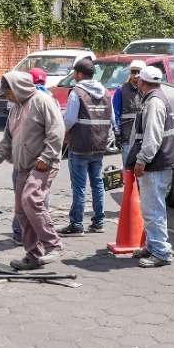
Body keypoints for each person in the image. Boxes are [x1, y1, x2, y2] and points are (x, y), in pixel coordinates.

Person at [0, 69, 64, 270]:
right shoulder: (16, 108)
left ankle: (53, 245)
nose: (6, 95)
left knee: (32, 199)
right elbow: (8, 138)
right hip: (23, 166)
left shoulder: (42, 101)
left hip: (43, 164)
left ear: (18, 88)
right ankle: (33, 255)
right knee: (22, 211)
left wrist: (46, 156)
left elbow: (57, 131)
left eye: (8, 91)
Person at [127, 65, 174, 266]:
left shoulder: (153, 102)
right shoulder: (158, 98)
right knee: (151, 208)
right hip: (160, 162)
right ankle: (153, 247)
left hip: (155, 163)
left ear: (141, 82)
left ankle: (161, 252)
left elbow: (152, 136)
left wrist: (142, 159)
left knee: (153, 210)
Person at [59, 57, 110, 235]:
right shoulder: (105, 92)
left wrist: (62, 133)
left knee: (79, 186)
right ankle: (99, 222)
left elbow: (70, 119)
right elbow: (111, 120)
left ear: (80, 74)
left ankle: (77, 224)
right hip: (99, 144)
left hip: (80, 145)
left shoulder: (77, 92)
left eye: (74, 73)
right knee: (97, 184)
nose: (74, 76)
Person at [114, 60, 144, 148]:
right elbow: (116, 113)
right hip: (127, 138)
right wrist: (117, 133)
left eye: (139, 72)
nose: (136, 75)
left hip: (144, 138)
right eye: (133, 72)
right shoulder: (121, 90)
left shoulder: (147, 91)